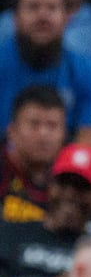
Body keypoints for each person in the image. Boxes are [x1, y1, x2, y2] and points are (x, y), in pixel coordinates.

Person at [0, 0, 91, 154]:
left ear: (66, 19)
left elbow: (90, 148)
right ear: (15, 19)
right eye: (33, 7)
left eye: (52, 8)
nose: (43, 16)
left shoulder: (88, 70)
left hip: (62, 175)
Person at [0, 142, 91, 277]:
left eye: (81, 187)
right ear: (50, 187)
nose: (70, 194)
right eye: (63, 184)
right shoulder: (9, 233)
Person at [0, 85, 67, 224]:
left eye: (52, 125)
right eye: (34, 124)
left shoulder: (74, 178)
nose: (43, 135)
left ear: (64, 134)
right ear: (12, 131)